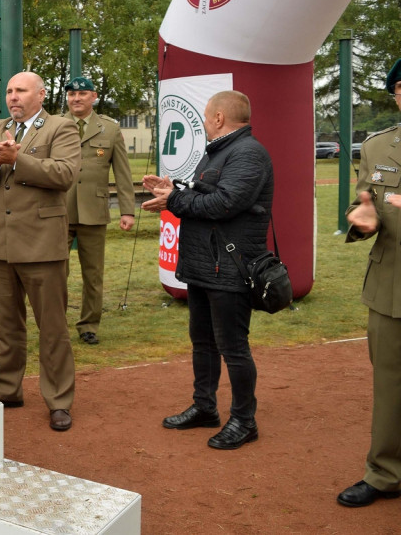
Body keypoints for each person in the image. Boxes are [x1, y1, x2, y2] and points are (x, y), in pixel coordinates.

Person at [142, 90, 272, 450]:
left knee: (233, 347)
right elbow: (206, 192)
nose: (203, 122)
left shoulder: (248, 153)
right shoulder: (221, 150)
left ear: (218, 118)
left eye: (205, 116)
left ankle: (244, 421)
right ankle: (205, 407)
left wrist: (174, 199)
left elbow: (224, 203)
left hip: (230, 266)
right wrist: (174, 189)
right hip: (204, 263)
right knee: (203, 341)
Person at [0, 72, 81, 431]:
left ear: (41, 94)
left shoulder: (60, 127)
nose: (13, 96)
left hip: (42, 244)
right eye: (9, 91)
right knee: (8, 324)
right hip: (0, 243)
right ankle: (7, 389)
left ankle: (59, 400)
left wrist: (16, 159)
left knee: (52, 327)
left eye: (21, 91)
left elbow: (64, 174)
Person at [337, 57, 401, 508]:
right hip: (390, 283)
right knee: (390, 384)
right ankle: (385, 473)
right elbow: (366, 203)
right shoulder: (377, 147)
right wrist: (362, 219)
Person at [64, 76, 136, 345]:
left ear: (94, 97)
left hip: (93, 211)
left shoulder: (110, 129)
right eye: (72, 94)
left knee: (93, 275)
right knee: (55, 273)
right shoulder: (55, 126)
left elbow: (123, 173)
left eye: (82, 93)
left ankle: (88, 325)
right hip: (58, 210)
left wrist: (127, 211)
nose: (76, 98)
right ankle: (54, 325)